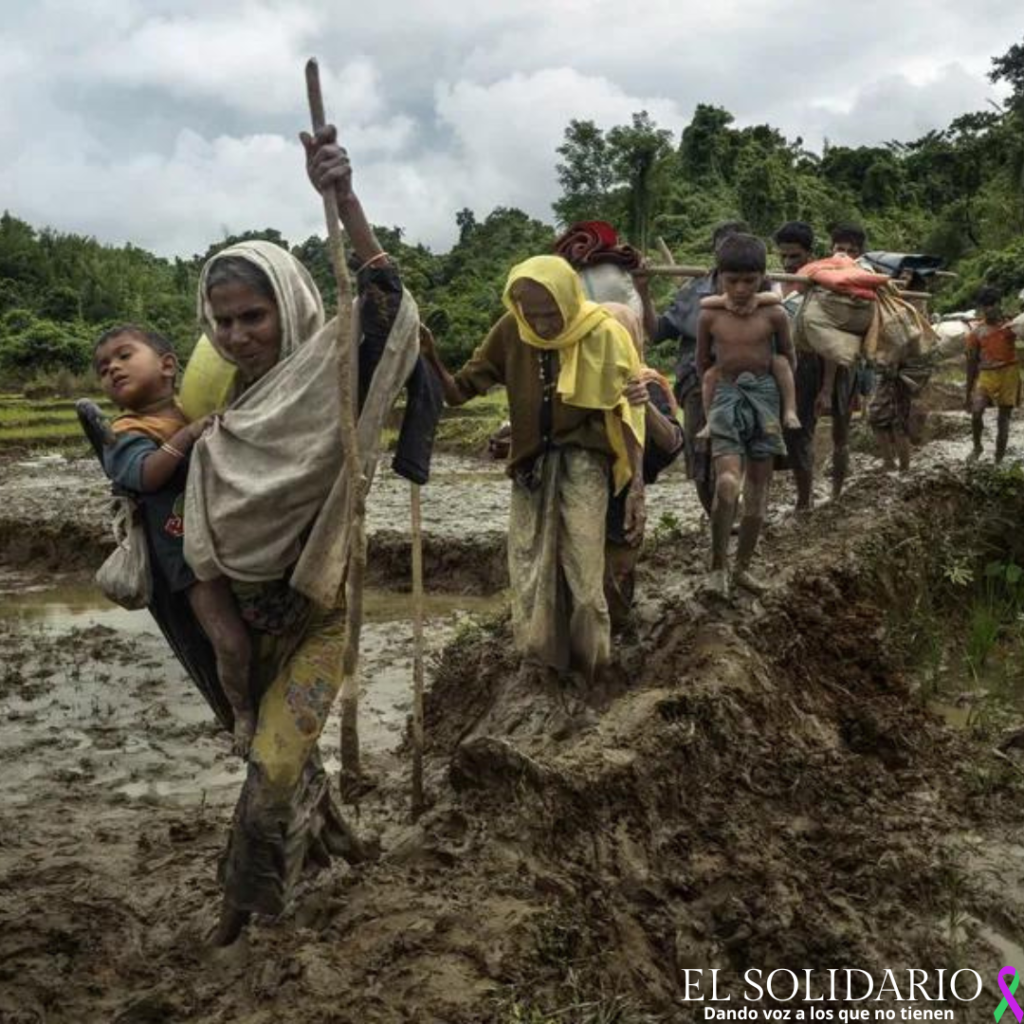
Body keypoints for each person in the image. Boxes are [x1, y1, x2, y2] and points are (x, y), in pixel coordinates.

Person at [420, 256, 646, 684]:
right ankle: (541, 663)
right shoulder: (510, 331)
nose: (541, 324)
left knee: (583, 574)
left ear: (570, 298)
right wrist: (430, 357)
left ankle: (593, 668)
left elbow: (631, 413)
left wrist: (636, 485)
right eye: (531, 312)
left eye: (550, 312)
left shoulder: (604, 334)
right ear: (516, 305)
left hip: (584, 463)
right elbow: (458, 392)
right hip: (530, 467)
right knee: (530, 573)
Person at [93, 326, 256, 755]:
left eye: (124, 356)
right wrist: (190, 434)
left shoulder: (197, 406)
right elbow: (146, 475)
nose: (112, 368)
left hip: (232, 537)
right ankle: (242, 712)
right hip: (187, 557)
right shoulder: (126, 431)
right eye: (103, 367)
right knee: (229, 641)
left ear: (167, 365)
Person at [637, 220, 758, 514]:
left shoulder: (761, 290)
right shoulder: (694, 291)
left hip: (747, 381)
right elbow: (658, 331)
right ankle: (718, 517)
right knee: (701, 456)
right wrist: (643, 290)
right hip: (697, 381)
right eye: (724, 249)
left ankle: (739, 513)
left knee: (743, 450)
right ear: (716, 253)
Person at [697, 234, 793, 597]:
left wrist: (785, 403)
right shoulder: (709, 315)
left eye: (749, 281)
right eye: (731, 280)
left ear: (762, 278)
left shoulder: (775, 314)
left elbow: (786, 357)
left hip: (765, 399)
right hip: (726, 397)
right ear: (719, 277)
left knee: (757, 493)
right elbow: (703, 361)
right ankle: (717, 567)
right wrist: (714, 396)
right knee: (726, 484)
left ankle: (743, 567)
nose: (739, 289)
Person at [601, 303, 684, 627]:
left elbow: (673, 442)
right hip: (584, 484)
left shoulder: (646, 383)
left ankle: (620, 632)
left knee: (618, 570)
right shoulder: (578, 377)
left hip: (624, 490)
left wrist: (643, 405)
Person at [694, 293, 800, 440]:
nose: (740, 288)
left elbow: (777, 297)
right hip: (726, 371)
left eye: (748, 281)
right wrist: (726, 301)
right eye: (734, 281)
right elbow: (704, 302)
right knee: (709, 376)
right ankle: (709, 421)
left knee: (781, 362)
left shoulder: (770, 308)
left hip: (764, 368)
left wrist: (756, 299)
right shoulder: (716, 309)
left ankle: (790, 410)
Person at [820, 222, 873, 499]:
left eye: (851, 251)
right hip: (812, 362)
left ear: (859, 254)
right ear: (831, 249)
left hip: (846, 366)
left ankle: (836, 493)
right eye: (840, 249)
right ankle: (806, 494)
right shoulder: (819, 274)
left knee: (841, 434)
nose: (844, 255)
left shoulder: (863, 279)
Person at [773, 221, 822, 511]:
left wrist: (826, 387)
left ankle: (805, 500)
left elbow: (827, 342)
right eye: (784, 256)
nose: (788, 263)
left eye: (795, 256)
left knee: (799, 434)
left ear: (809, 254)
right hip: (771, 366)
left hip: (805, 366)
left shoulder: (817, 285)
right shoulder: (772, 282)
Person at [966, 285, 1020, 463]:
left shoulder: (1013, 327)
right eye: (985, 306)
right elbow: (971, 363)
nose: (988, 309)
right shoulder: (976, 332)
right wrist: (968, 392)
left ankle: (999, 458)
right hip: (986, 374)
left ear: (999, 304)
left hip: (1009, 374)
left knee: (1003, 419)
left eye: (991, 304)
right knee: (976, 412)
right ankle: (977, 447)